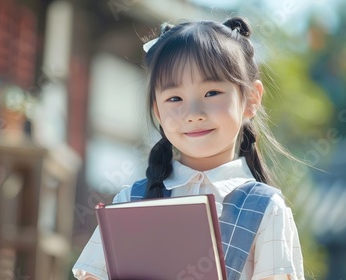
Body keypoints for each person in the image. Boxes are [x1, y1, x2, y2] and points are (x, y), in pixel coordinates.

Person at [72, 17, 304, 280]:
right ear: (157, 111)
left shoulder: (264, 207)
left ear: (251, 99)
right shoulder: (130, 201)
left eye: (212, 93)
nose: (193, 113)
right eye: (174, 98)